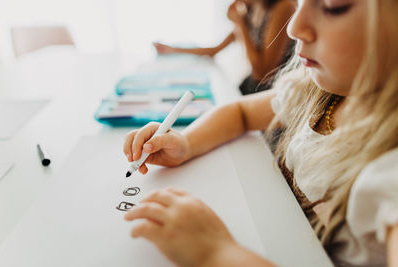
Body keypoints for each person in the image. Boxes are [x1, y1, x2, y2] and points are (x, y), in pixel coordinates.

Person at [123, 0, 398, 266]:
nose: (294, 27)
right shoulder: (318, 92)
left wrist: (215, 253)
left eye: (332, 6)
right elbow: (241, 113)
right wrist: (185, 142)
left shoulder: (389, 175)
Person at [153, 0, 296, 95]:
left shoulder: (284, 7)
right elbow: (214, 50)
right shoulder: (252, 9)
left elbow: (262, 73)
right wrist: (173, 49)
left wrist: (240, 24)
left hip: (273, 92)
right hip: (251, 87)